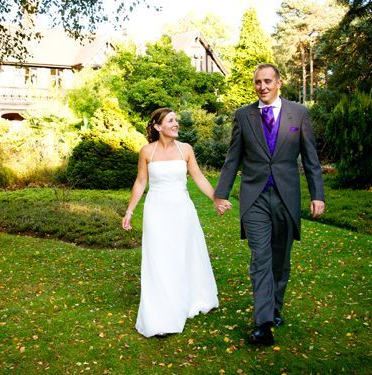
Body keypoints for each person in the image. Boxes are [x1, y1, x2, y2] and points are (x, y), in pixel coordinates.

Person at [214, 63, 325, 346]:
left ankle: (275, 309)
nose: (261, 86)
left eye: (267, 81)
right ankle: (263, 324)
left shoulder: (299, 114)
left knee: (280, 260)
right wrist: (221, 193)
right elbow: (233, 157)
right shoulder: (243, 115)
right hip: (255, 198)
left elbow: (311, 158)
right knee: (260, 258)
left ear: (279, 83)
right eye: (257, 82)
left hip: (287, 197)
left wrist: (317, 194)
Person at [122, 107, 223, 338]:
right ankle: (162, 308)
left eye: (176, 120)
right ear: (158, 127)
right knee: (158, 256)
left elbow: (198, 176)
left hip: (182, 210)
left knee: (184, 253)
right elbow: (140, 183)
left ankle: (189, 297)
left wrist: (216, 199)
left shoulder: (186, 149)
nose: (176, 123)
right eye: (170, 120)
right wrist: (129, 211)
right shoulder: (147, 151)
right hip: (156, 210)